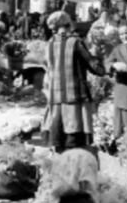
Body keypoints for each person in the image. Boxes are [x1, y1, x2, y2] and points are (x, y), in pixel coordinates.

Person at [42, 11, 104, 152]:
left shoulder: (49, 44)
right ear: (69, 24)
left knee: (58, 140)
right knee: (74, 141)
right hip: (74, 94)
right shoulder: (75, 43)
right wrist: (99, 60)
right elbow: (93, 66)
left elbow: (48, 68)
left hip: (55, 96)